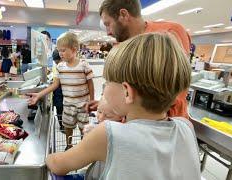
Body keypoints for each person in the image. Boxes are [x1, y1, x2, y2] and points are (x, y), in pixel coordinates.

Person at [46, 33, 201, 180]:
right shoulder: (186, 126)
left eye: (107, 83)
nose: (104, 89)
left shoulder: (107, 134)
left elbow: (59, 165)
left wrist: (47, 157)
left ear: (127, 92)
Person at [86, 0, 191, 118]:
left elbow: (173, 90)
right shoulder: (122, 45)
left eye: (108, 24)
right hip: (134, 123)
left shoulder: (169, 33)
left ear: (124, 15)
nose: (108, 32)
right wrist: (108, 104)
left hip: (164, 125)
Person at [28, 32, 94, 150]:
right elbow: (55, 85)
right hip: (67, 104)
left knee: (83, 127)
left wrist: (92, 100)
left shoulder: (84, 65)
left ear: (74, 50)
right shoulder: (60, 67)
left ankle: (84, 147)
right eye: (59, 50)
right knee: (67, 126)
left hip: (83, 103)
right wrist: (39, 95)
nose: (60, 53)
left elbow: (90, 84)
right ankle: (69, 145)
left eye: (63, 50)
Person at [52, 49, 64, 132]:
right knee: (60, 109)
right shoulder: (57, 67)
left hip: (61, 92)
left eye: (57, 61)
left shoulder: (63, 67)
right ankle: (62, 126)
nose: (57, 63)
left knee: (61, 109)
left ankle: (63, 126)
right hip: (58, 92)